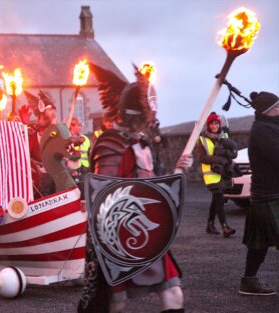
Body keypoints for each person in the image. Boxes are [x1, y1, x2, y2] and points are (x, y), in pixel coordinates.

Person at [79, 63, 189, 313]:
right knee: (114, 302)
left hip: (150, 234)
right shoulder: (110, 145)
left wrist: (180, 171)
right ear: (135, 114)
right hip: (118, 239)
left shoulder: (143, 143)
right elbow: (103, 197)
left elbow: (156, 190)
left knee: (173, 292)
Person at [239, 91, 279, 296]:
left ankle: (248, 281)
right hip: (270, 193)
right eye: (278, 107)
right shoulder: (263, 130)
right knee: (259, 242)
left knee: (259, 242)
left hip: (265, 194)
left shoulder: (269, 127)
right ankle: (248, 281)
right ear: (269, 111)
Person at [196, 112, 236, 237]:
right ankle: (225, 227)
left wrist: (226, 155)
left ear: (219, 124)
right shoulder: (202, 139)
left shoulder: (224, 136)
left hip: (222, 173)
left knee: (216, 199)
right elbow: (202, 158)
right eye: (212, 123)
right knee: (219, 197)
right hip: (210, 175)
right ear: (208, 125)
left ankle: (210, 224)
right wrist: (219, 160)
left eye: (216, 123)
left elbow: (233, 152)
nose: (214, 125)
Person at [68, 117, 90, 194]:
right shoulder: (67, 139)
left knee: (85, 189)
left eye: (80, 125)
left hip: (85, 167)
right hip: (72, 168)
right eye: (78, 125)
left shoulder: (85, 139)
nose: (80, 127)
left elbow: (89, 152)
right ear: (72, 126)